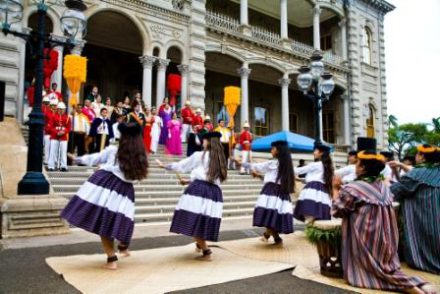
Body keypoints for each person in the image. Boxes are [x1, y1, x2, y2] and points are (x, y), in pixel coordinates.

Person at [333, 138, 428, 293]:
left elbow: (338, 210)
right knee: (388, 268)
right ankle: (413, 285)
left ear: (363, 169)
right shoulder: (383, 187)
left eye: (357, 163)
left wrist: (335, 189)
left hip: (366, 241)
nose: (355, 165)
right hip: (385, 243)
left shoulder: (353, 188)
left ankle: (407, 286)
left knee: (371, 274)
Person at [61, 123, 149, 270]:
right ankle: (122, 246)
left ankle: (112, 258)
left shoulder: (114, 150)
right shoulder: (140, 155)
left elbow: (96, 158)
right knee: (119, 220)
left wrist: (77, 159)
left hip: (107, 185)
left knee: (104, 222)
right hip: (125, 190)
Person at [157, 132, 227, 260]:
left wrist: (165, 166)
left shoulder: (200, 155)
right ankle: (200, 245)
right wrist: (189, 181)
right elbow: (210, 178)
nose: (202, 143)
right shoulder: (221, 158)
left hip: (199, 191)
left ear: (208, 142)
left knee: (192, 220)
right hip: (214, 194)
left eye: (204, 140)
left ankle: (206, 251)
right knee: (202, 221)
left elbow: (182, 165)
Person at [390, 144, 440, 274]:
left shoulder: (417, 174)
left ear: (423, 157)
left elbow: (393, 193)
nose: (415, 157)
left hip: (429, 222)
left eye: (417, 154)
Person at [242, 140, 295, 244]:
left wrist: (240, 162)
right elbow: (273, 178)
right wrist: (259, 176)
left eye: (273, 148)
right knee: (273, 216)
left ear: (278, 151)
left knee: (269, 215)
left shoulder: (273, 163)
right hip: (281, 193)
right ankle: (276, 238)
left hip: (271, 192)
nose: (271, 150)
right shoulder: (286, 165)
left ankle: (267, 236)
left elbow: (256, 167)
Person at [293, 143, 334, 223]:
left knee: (309, 214)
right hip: (322, 192)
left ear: (321, 153)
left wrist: (285, 165)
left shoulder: (316, 165)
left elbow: (298, 170)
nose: (313, 152)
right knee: (317, 216)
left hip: (312, 190)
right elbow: (317, 178)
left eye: (315, 150)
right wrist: (301, 179)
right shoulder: (327, 166)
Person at [48, 102, 71, 171]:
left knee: (63, 152)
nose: (61, 110)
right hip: (54, 136)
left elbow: (68, 127)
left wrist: (63, 132)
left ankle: (63, 166)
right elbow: (50, 127)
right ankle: (51, 166)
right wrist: (57, 132)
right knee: (52, 151)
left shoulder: (67, 117)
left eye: (63, 109)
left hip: (63, 137)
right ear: (57, 109)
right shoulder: (53, 116)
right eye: (60, 109)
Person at [43, 97, 57, 165]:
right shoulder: (47, 112)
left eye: (55, 105)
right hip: (48, 132)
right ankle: (46, 160)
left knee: (54, 147)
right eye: (53, 105)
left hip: (55, 133)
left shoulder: (57, 113)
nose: (54, 107)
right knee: (47, 147)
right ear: (51, 105)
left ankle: (53, 160)